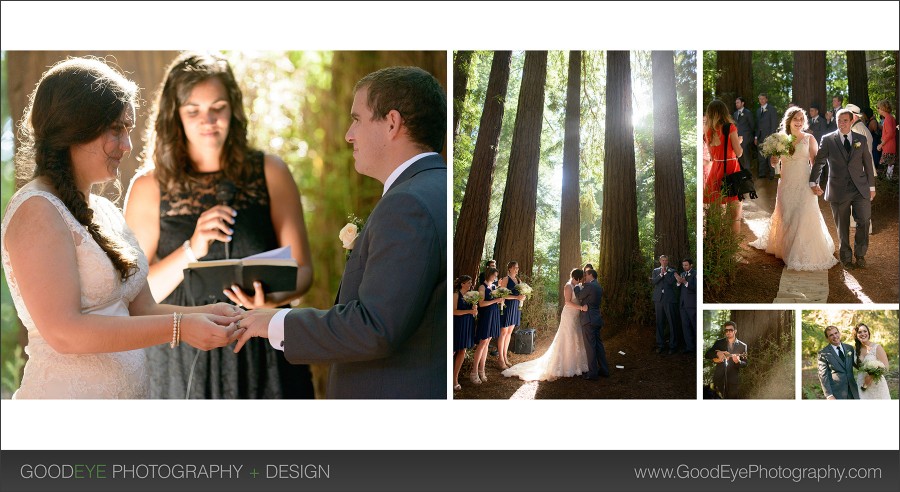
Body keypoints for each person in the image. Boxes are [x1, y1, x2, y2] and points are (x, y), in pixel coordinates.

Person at [0, 57, 242, 399]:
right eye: (116, 129)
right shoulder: (37, 210)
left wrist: (207, 314)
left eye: (128, 129)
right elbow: (65, 333)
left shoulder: (104, 212)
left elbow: (142, 309)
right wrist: (181, 329)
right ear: (75, 127)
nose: (127, 146)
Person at [234, 66, 447, 399]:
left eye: (357, 119)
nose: (349, 134)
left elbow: (374, 327)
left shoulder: (407, 204)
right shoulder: (434, 189)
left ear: (392, 123)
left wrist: (272, 323)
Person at [124, 52, 314, 399]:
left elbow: (303, 271)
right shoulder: (148, 188)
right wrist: (191, 249)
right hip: (179, 359)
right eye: (193, 111)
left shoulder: (270, 172)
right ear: (174, 116)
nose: (208, 120)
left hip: (262, 350)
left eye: (218, 108)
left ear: (234, 110)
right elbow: (136, 294)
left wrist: (270, 298)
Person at [749, 107, 839, 271]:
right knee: (787, 215)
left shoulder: (809, 138)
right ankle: (787, 248)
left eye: (801, 119)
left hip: (804, 183)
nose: (799, 122)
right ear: (789, 120)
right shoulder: (780, 139)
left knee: (804, 215)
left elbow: (815, 164)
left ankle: (800, 252)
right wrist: (774, 161)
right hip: (786, 184)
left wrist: (815, 183)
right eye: (796, 119)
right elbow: (775, 164)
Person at [810, 109, 876, 270]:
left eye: (845, 120)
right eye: (839, 120)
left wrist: (872, 186)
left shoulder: (860, 139)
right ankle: (846, 258)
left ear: (851, 121)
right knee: (842, 225)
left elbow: (868, 163)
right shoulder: (828, 139)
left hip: (860, 188)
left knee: (864, 221)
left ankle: (860, 255)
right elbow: (819, 162)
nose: (842, 123)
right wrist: (813, 181)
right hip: (838, 188)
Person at [502, 269, 587, 381]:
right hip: (569, 316)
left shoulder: (577, 286)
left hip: (576, 316)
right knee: (567, 337)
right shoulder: (568, 286)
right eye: (581, 279)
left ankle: (576, 365)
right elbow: (567, 302)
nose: (582, 281)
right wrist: (581, 308)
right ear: (577, 278)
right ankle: (565, 366)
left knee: (575, 337)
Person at [703, 99, 744, 234]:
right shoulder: (729, 127)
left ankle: (716, 247)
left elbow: (712, 156)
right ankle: (732, 251)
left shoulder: (707, 131)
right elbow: (738, 153)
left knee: (715, 215)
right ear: (724, 112)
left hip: (716, 170)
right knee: (734, 215)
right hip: (731, 169)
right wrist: (738, 142)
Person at [575, 268, 608, 380]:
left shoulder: (590, 286)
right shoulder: (598, 286)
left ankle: (593, 373)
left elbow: (579, 296)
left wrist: (576, 288)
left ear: (591, 275)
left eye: (586, 274)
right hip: (597, 319)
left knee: (590, 347)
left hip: (588, 319)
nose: (585, 276)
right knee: (599, 346)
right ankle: (604, 370)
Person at [473, 267, 503, 385]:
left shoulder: (495, 287)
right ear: (488, 275)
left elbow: (496, 300)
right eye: (493, 275)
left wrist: (500, 300)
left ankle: (482, 370)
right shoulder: (482, 287)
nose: (495, 277)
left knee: (487, 343)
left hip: (494, 315)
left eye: (496, 276)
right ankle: (474, 372)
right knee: (482, 343)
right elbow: (481, 303)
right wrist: (495, 301)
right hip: (486, 317)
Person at [704, 321, 747, 399]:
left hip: (733, 381)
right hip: (719, 379)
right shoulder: (719, 343)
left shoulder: (742, 346)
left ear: (735, 331)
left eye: (730, 330)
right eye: (726, 330)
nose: (728, 332)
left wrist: (738, 361)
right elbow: (707, 355)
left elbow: (745, 363)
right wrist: (717, 353)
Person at [496, 261, 526, 370]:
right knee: (503, 332)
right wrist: (516, 298)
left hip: (515, 308)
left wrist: (522, 297)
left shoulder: (519, 280)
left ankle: (505, 357)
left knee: (509, 333)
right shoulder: (505, 279)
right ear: (510, 268)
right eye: (515, 268)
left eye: (517, 267)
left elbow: (520, 294)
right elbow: (502, 295)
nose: (517, 269)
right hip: (507, 306)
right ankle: (500, 359)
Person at [817, 325, 859, 400]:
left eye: (836, 333)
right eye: (831, 335)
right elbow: (823, 376)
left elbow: (857, 365)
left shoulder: (849, 348)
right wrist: (829, 395)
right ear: (827, 338)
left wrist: (870, 366)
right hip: (837, 393)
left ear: (839, 333)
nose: (835, 336)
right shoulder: (823, 353)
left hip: (853, 391)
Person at [452, 276, 477, 391]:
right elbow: (453, 311)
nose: (470, 284)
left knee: (463, 350)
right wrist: (469, 311)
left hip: (468, 324)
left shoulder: (470, 295)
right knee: (453, 350)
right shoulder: (456, 295)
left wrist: (474, 309)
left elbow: (473, 313)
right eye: (468, 282)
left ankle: (455, 378)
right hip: (457, 325)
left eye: (471, 282)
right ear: (462, 284)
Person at [853, 323, 890, 400]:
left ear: (868, 333)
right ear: (856, 335)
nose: (863, 334)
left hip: (877, 385)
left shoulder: (877, 347)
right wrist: (864, 383)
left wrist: (871, 377)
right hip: (861, 384)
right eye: (859, 332)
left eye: (865, 331)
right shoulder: (855, 350)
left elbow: (886, 367)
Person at [651, 255, 678, 355]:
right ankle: (660, 345)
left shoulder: (672, 271)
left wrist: (665, 273)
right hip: (658, 300)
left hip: (669, 300)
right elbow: (653, 281)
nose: (664, 262)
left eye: (666, 260)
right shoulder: (655, 270)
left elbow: (671, 282)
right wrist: (661, 275)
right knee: (659, 323)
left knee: (672, 323)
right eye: (663, 260)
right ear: (660, 261)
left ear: (668, 261)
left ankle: (673, 346)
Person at [674, 258, 697, 355]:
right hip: (683, 304)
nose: (684, 267)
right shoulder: (682, 274)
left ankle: (697, 349)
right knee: (685, 326)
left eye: (686, 265)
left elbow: (696, 288)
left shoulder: (696, 274)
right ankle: (689, 347)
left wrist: (685, 282)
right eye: (683, 265)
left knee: (695, 326)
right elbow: (679, 288)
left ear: (691, 265)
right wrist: (679, 282)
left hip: (692, 305)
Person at [755, 93, 779, 180]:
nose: (761, 100)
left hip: (769, 136)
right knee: (761, 155)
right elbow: (757, 125)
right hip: (760, 137)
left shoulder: (771, 109)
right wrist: (756, 137)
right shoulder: (758, 111)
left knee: (770, 155)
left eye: (763, 99)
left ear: (766, 99)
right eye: (760, 99)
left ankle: (772, 174)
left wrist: (772, 136)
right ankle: (762, 173)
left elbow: (774, 123)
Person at [733, 96, 755, 171]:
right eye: (736, 103)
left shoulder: (748, 113)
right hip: (736, 138)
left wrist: (750, 137)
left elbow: (752, 126)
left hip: (746, 138)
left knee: (746, 155)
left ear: (742, 103)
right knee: (738, 155)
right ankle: (740, 171)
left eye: (738, 102)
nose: (736, 104)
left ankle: (747, 172)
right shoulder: (735, 114)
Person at [875, 100, 896, 179]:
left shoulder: (888, 119)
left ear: (883, 108)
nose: (878, 109)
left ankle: (883, 186)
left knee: (881, 170)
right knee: (889, 168)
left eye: (878, 108)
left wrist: (881, 144)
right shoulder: (890, 118)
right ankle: (887, 185)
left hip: (888, 147)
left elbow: (890, 133)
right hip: (890, 147)